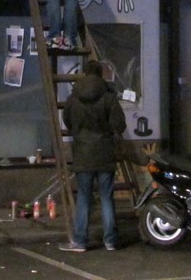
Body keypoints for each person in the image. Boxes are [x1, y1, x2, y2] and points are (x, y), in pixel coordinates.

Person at [60, 59, 127, 252]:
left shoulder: (74, 96)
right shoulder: (108, 95)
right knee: (106, 197)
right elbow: (119, 125)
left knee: (83, 197)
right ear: (100, 73)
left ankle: (80, 241)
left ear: (84, 73)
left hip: (83, 152)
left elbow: (66, 119)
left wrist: (78, 131)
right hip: (105, 152)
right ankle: (111, 240)